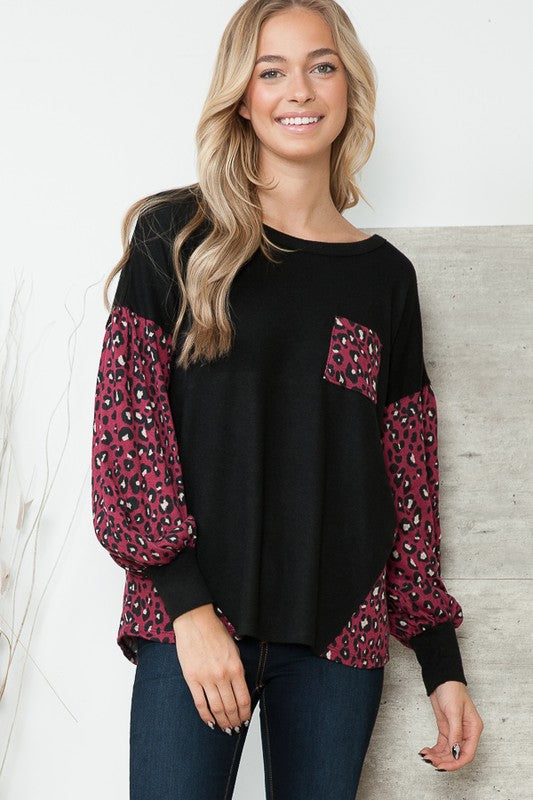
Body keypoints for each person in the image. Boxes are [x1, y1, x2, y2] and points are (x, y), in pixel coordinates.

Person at [91, 1, 483, 798]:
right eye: (271, 71)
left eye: (320, 66)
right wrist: (187, 609)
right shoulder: (176, 238)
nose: (298, 89)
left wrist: (441, 662)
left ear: (348, 86)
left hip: (338, 638)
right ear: (242, 95)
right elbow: (127, 438)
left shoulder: (384, 279)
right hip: (194, 620)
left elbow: (405, 477)